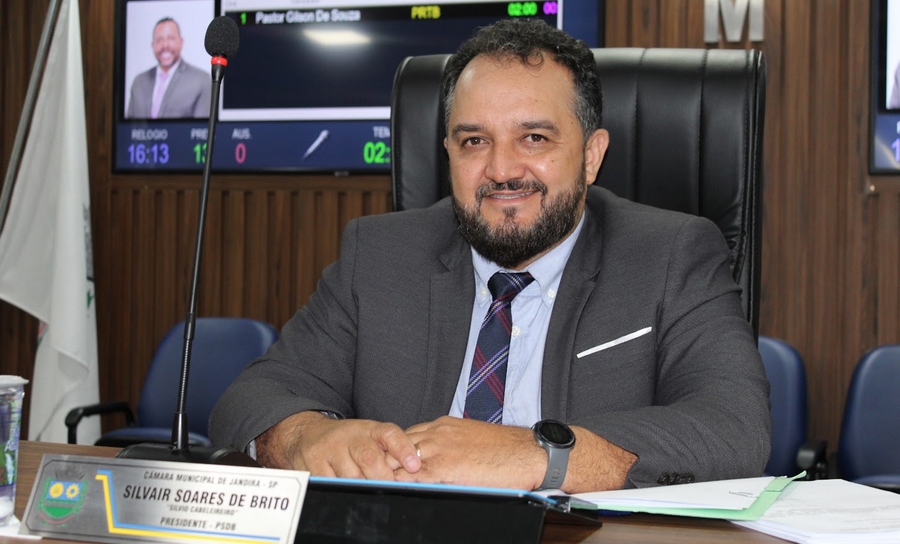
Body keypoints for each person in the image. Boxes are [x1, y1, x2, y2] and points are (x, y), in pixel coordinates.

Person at [209, 18, 770, 492]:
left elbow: (734, 429)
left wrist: (535, 454)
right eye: (474, 141)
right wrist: (306, 437)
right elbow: (249, 399)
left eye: (534, 138)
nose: (501, 170)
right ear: (448, 152)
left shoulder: (671, 255)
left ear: (591, 156)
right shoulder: (379, 256)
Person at [126, 17, 209, 119]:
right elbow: (129, 126)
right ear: (152, 45)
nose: (165, 45)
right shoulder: (139, 82)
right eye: (159, 40)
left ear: (181, 42)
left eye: (171, 38)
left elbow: (203, 127)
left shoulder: (200, 81)